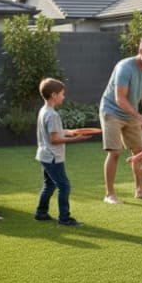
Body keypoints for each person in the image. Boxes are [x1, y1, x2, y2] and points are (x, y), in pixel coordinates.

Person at [99, 37, 142, 205]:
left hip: (130, 113)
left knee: (140, 151)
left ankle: (140, 190)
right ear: (140, 51)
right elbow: (120, 99)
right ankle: (109, 194)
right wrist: (139, 117)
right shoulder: (124, 68)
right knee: (115, 152)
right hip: (111, 111)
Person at [34, 77, 91, 226]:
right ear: (54, 95)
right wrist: (76, 140)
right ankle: (64, 218)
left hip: (44, 155)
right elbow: (55, 139)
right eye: (62, 94)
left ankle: (41, 213)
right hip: (52, 157)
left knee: (49, 185)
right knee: (64, 186)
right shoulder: (53, 115)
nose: (64, 97)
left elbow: (55, 133)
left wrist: (71, 132)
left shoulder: (44, 110)